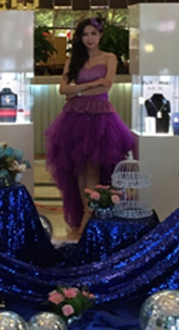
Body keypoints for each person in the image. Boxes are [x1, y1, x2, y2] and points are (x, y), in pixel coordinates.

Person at [44, 17, 135, 238]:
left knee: (93, 167)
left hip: (100, 116)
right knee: (79, 169)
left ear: (100, 35)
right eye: (85, 34)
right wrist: (92, 84)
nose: (90, 38)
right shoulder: (73, 60)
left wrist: (78, 90)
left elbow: (106, 86)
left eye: (93, 33)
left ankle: (88, 215)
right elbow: (63, 89)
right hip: (74, 116)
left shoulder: (109, 58)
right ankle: (86, 211)